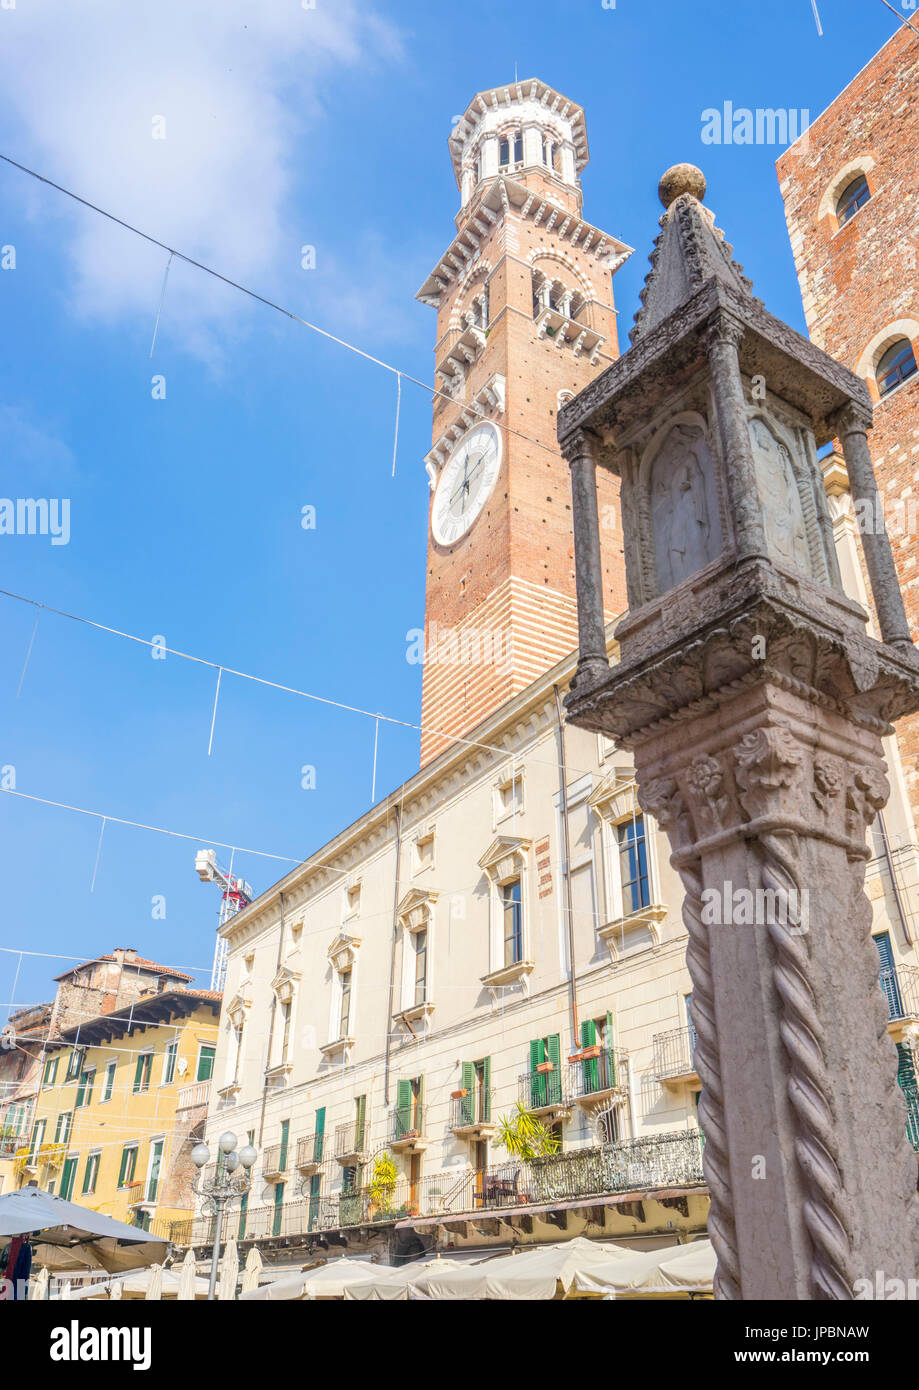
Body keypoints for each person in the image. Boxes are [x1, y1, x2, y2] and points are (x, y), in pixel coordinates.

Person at [0, 1232, 33, 1300]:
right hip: (12, 1277)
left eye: (28, 1234)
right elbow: (2, 1263)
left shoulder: (29, 1247)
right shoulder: (10, 1246)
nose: (27, 1235)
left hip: (21, 1279)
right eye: (25, 1233)